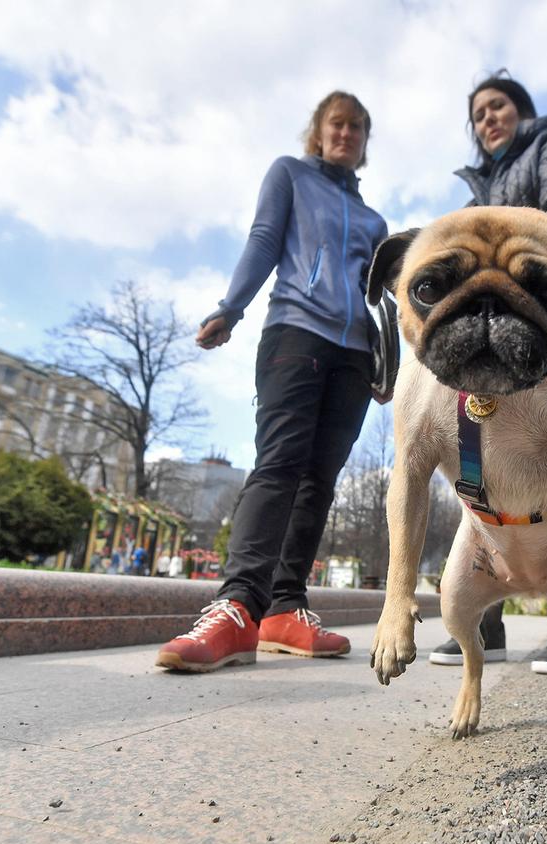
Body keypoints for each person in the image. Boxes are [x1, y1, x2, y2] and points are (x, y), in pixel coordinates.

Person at [157, 90, 388, 673]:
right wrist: (231, 307)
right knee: (280, 463)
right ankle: (237, 605)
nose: (347, 134)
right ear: (317, 131)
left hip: (356, 354)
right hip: (296, 333)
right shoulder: (289, 175)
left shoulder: (373, 220)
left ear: (364, 143)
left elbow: (379, 296)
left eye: (357, 128)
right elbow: (264, 238)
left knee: (320, 478)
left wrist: (390, 364)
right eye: (337, 124)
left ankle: (285, 608)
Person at [427, 71, 547, 677]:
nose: (488, 119)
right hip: (485, 349)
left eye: (497, 107)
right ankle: (485, 616)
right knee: (478, 466)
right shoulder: (477, 185)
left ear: (521, 112)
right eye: (477, 114)